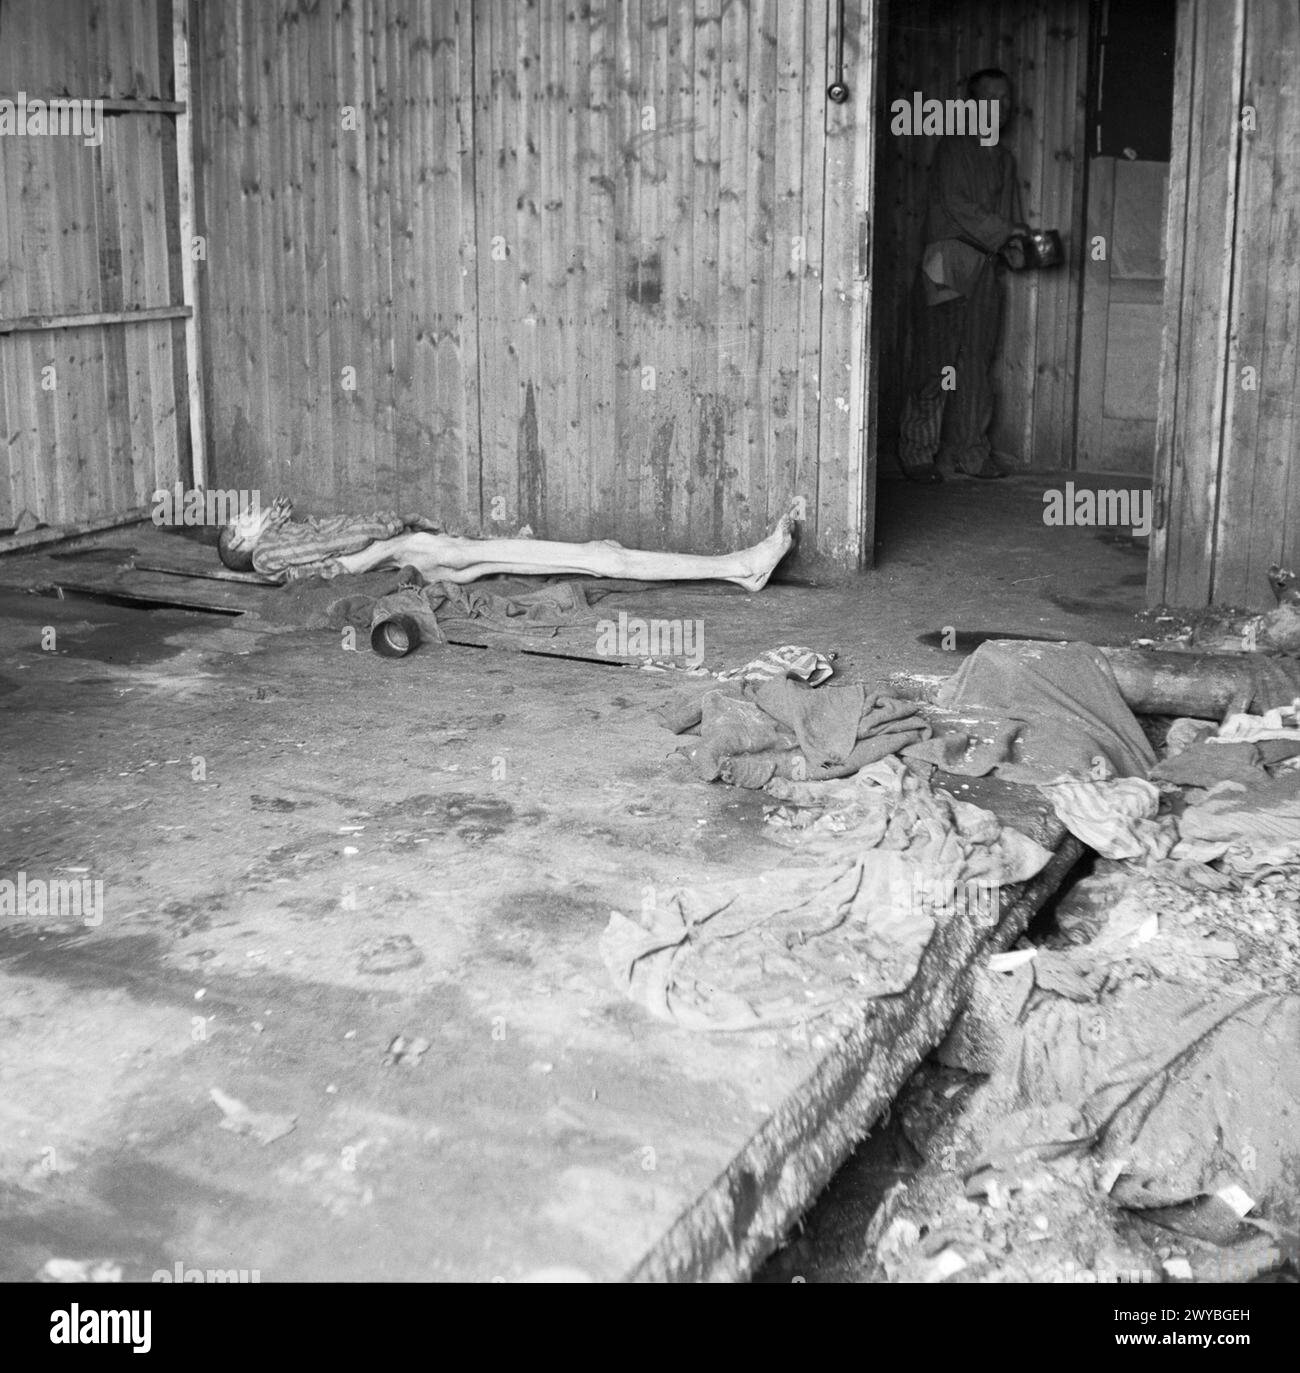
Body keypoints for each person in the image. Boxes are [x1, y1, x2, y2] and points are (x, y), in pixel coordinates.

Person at [899, 68, 1028, 483]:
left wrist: (1021, 247)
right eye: (992, 99)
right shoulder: (953, 147)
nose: (1002, 107)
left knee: (976, 362)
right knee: (935, 359)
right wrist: (1007, 233)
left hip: (985, 267)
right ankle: (918, 451)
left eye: (1007, 99)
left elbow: (1009, 219)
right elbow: (957, 205)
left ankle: (971, 453)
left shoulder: (1004, 160)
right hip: (947, 262)